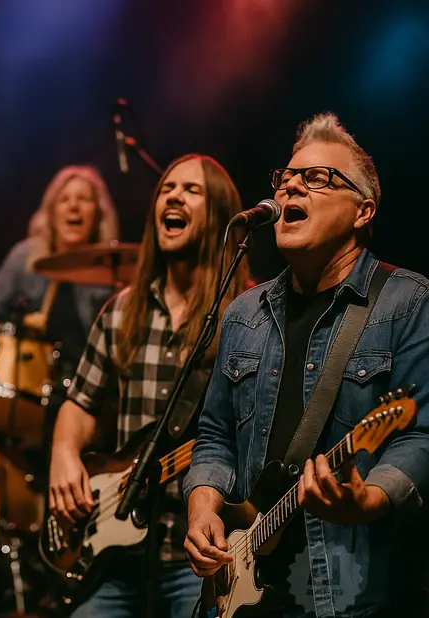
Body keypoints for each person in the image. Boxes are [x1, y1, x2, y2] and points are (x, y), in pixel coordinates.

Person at [184, 113, 429, 617]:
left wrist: (373, 499)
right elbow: (215, 434)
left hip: (355, 592)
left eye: (316, 178)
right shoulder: (244, 313)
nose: (291, 184)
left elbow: (420, 431)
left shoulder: (406, 301)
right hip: (246, 588)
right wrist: (203, 504)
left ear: (363, 212)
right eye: (286, 177)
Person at [48, 154, 249, 618]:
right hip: (119, 558)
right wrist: (63, 456)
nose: (173, 196)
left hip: (199, 559)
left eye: (191, 190)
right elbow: (79, 402)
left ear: (219, 215)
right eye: (166, 189)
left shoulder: (247, 315)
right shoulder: (121, 310)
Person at [0, 164, 120, 376]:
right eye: (64, 199)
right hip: (27, 378)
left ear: (98, 214)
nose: (73, 206)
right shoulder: (24, 257)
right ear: (52, 212)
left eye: (84, 199)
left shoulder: (114, 270)